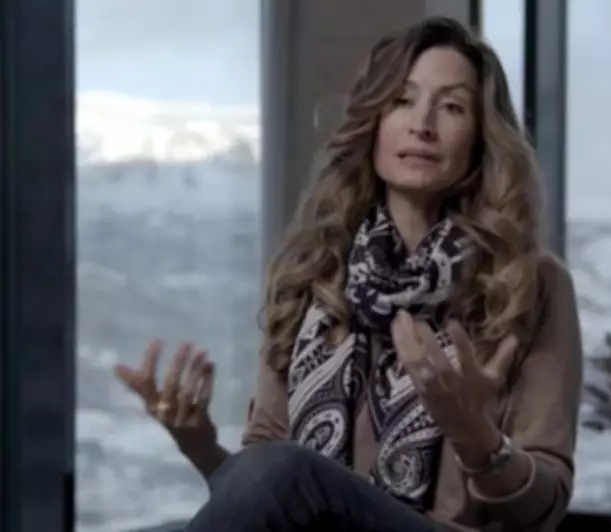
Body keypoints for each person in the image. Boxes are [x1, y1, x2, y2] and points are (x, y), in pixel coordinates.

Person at [115, 16, 582, 532]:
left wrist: (476, 436)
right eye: (402, 100)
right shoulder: (312, 271)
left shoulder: (530, 283)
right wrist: (198, 444)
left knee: (284, 472)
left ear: (480, 138)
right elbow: (265, 491)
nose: (422, 124)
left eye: (452, 107)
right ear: (373, 120)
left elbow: (544, 508)